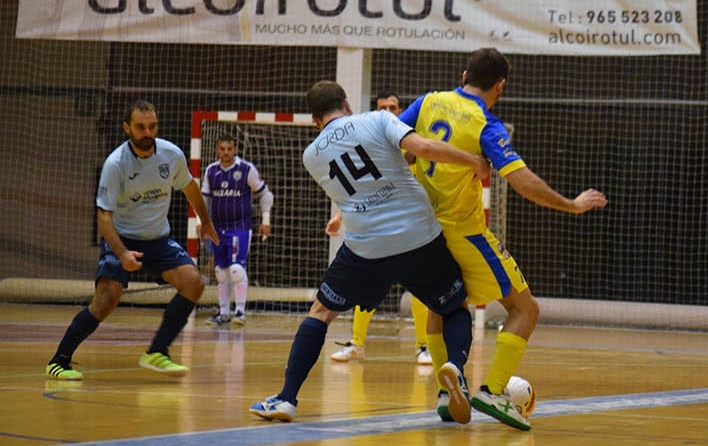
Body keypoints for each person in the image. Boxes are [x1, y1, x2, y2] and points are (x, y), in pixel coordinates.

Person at [249, 80, 490, 423]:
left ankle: (287, 398)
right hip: (419, 235)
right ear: (347, 102)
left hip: (365, 248)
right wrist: (474, 163)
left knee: (320, 312)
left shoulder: (311, 155)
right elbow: (421, 148)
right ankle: (457, 372)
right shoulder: (378, 120)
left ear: (315, 120)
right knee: (453, 307)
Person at [400, 47, 608, 430]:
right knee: (525, 309)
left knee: (441, 306)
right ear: (500, 85)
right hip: (463, 232)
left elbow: (395, 145)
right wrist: (572, 205)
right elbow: (522, 181)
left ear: (464, 75)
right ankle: (493, 391)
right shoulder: (486, 124)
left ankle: (447, 396)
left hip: (419, 231)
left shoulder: (427, 102)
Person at [45, 100, 220, 381]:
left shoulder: (170, 155)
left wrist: (206, 221)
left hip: (158, 239)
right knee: (107, 298)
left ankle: (157, 352)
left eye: (152, 126)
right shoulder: (116, 164)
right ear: (127, 128)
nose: (147, 132)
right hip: (122, 237)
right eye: (140, 127)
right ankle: (59, 360)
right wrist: (122, 252)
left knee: (194, 283)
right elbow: (103, 218)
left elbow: (189, 186)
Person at [329, 91, 433, 366]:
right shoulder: (371, 146)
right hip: (378, 230)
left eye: (393, 107)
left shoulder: (413, 146)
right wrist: (339, 215)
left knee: (421, 289)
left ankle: (424, 347)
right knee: (365, 286)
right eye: (382, 107)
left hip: (411, 229)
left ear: (401, 111)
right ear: (375, 111)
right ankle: (356, 344)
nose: (388, 111)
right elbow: (361, 188)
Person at [199, 134, 274, 327]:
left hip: (240, 227)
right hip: (218, 228)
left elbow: (265, 194)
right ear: (217, 150)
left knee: (236, 269)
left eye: (229, 149)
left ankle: (240, 312)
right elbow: (203, 199)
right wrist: (201, 221)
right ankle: (223, 313)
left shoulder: (246, 169)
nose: (225, 153)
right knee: (221, 272)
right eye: (222, 149)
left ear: (235, 150)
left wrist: (265, 220)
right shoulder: (211, 171)